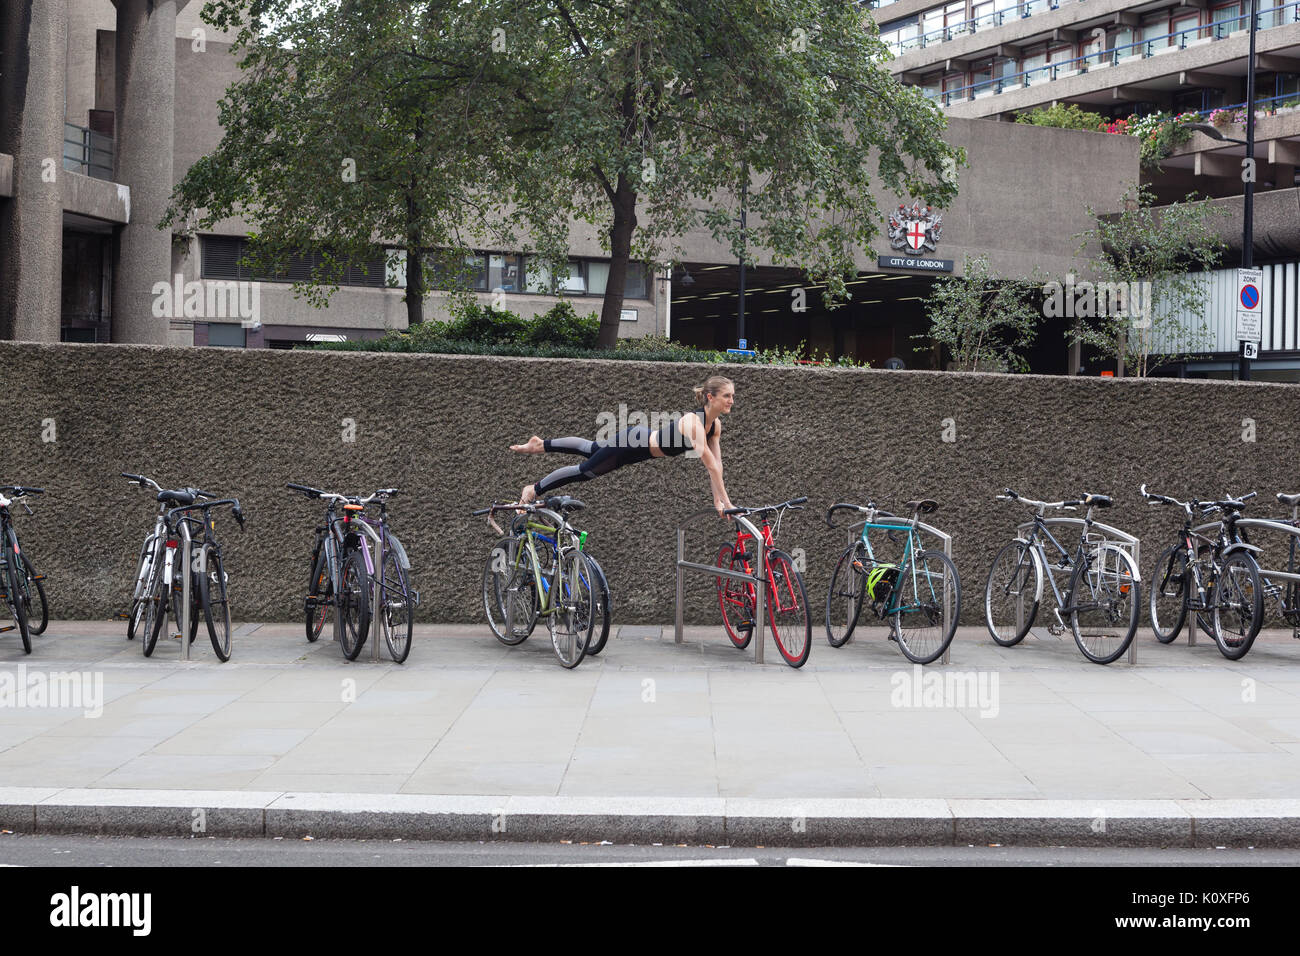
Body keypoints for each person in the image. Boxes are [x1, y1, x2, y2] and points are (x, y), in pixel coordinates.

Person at [511, 376, 736, 517]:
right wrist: (727, 503)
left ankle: (540, 444)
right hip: (633, 445)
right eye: (726, 395)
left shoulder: (714, 426)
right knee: (586, 470)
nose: (731, 400)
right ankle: (533, 489)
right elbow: (711, 468)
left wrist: (718, 500)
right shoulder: (694, 424)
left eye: (732, 396)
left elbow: (718, 465)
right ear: (710, 396)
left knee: (592, 448)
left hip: (639, 445)